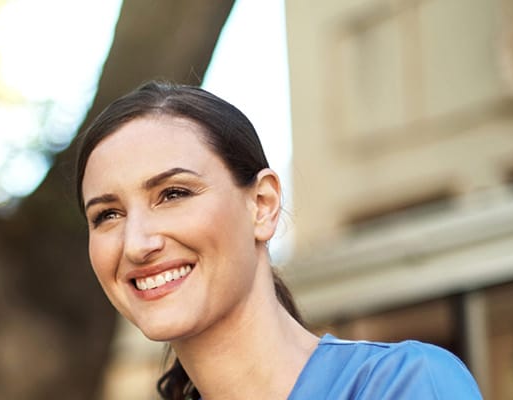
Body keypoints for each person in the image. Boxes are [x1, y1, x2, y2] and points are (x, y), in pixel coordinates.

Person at [74, 82, 483, 399]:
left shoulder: (401, 385)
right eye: (107, 215)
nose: (137, 244)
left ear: (263, 205)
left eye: (174, 194)